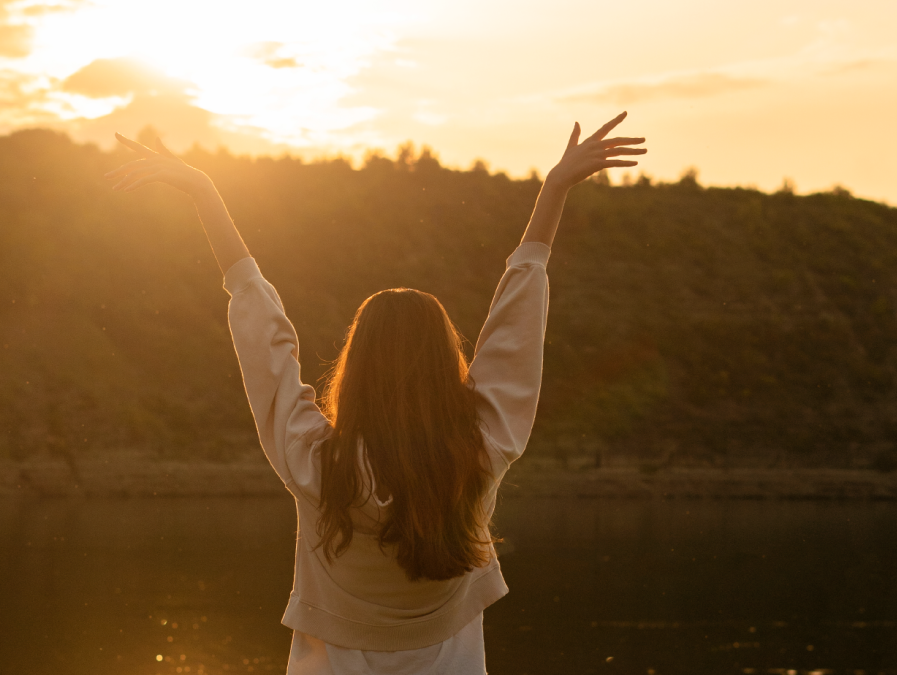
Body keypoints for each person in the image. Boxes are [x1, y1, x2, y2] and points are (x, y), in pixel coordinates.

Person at [104, 113, 646, 675]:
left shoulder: (316, 464)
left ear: (355, 367)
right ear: (446, 365)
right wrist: (553, 190)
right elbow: (516, 331)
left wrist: (204, 191)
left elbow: (261, 329)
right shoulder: (480, 453)